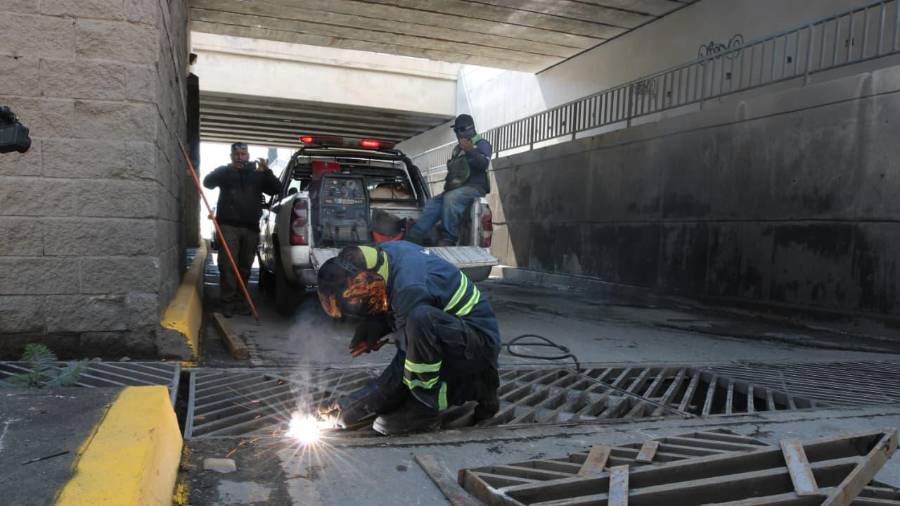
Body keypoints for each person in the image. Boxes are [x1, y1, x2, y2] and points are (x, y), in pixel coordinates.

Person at [316, 241, 501, 435]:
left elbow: (407, 359)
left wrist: (362, 402)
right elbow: (393, 297)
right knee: (401, 378)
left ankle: (423, 409)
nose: (357, 302)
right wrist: (376, 324)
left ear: (368, 279)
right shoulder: (385, 255)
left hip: (479, 346)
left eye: (358, 298)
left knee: (420, 323)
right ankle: (482, 386)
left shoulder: (409, 289)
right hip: (458, 337)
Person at [203, 142, 281, 317]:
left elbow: (277, 189)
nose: (240, 157)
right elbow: (207, 183)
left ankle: (240, 301)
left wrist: (266, 171)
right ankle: (227, 302)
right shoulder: (225, 172)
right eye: (236, 154)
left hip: (251, 227)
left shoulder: (258, 174)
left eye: (243, 154)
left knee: (245, 267)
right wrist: (227, 169)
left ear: (248, 155)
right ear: (231, 156)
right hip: (228, 225)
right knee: (228, 266)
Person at [406, 114, 491, 246]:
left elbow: (483, 164)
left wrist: (470, 151)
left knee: (451, 198)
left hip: (474, 187)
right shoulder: (457, 149)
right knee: (432, 204)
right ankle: (414, 237)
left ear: (468, 129)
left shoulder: (482, 144)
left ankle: (449, 238)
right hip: (456, 189)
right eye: (455, 130)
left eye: (459, 130)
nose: (457, 134)